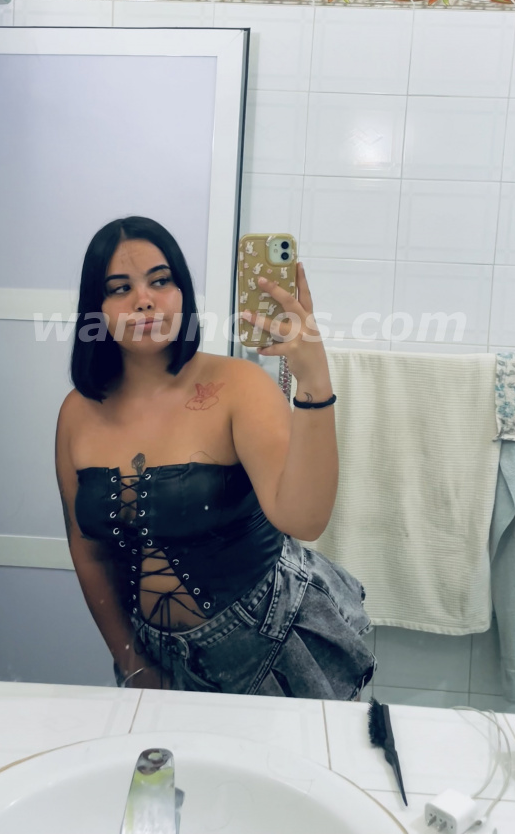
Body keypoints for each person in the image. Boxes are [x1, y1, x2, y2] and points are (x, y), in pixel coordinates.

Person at [55, 216, 375, 698]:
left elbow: (305, 520)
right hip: (155, 656)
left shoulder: (238, 386)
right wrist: (132, 661)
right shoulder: (77, 414)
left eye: (160, 281)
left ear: (182, 292)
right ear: (95, 310)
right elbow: (89, 552)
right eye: (120, 288)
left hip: (274, 641)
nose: (144, 299)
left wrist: (314, 380)